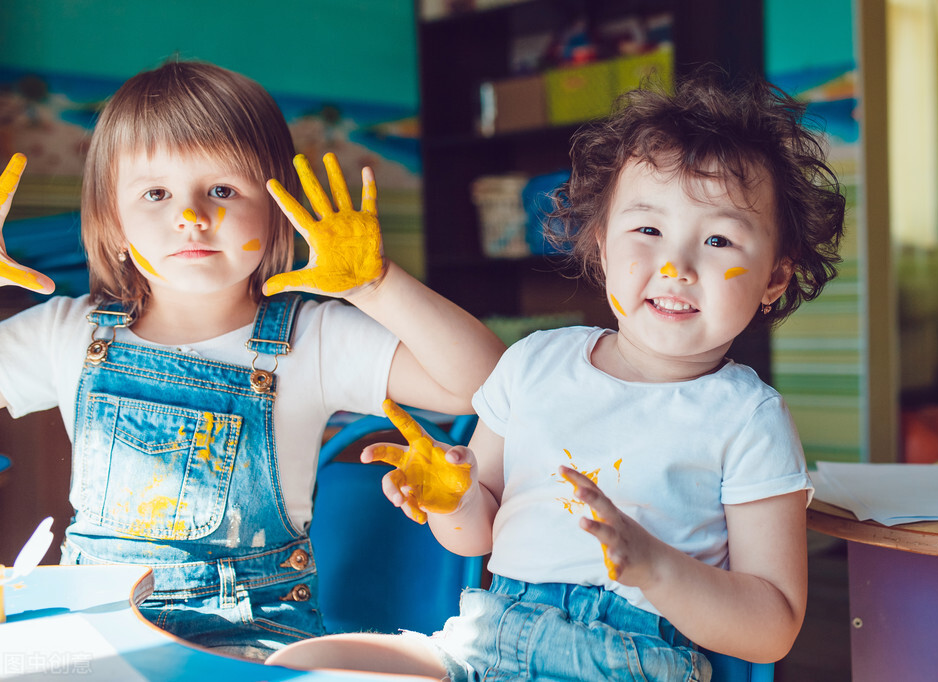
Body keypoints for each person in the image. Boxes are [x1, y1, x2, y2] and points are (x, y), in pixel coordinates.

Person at [266, 70, 846, 680]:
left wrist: (653, 566)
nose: (676, 266)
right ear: (600, 244)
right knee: (313, 662)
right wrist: (452, 499)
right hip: (486, 640)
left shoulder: (748, 418)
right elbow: (476, 534)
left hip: (631, 659)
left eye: (720, 239)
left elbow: (773, 627)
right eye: (648, 230)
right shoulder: (535, 362)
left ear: (774, 280)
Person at [0, 60, 505, 659]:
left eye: (221, 190)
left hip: (251, 638)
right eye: (155, 193)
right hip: (94, 629)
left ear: (276, 215)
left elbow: (487, 384)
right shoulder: (68, 332)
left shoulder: (314, 338)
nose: (190, 215)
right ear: (112, 223)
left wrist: (376, 285)